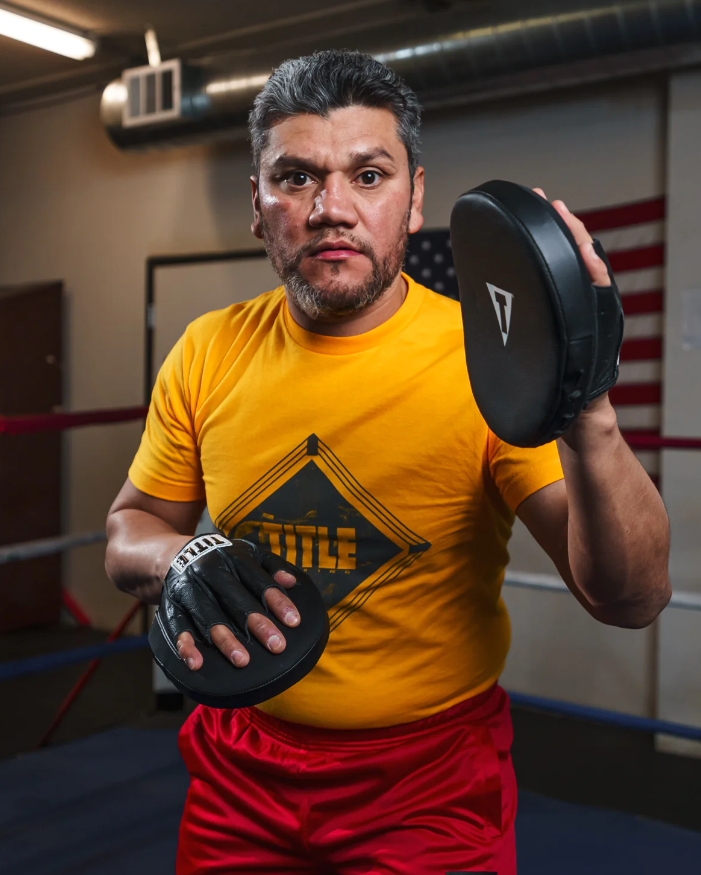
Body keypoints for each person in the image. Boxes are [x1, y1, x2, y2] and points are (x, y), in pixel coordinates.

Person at [105, 50, 671, 875]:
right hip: (239, 769)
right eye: (295, 177)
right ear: (258, 209)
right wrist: (179, 553)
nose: (332, 208)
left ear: (413, 203)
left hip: (427, 784)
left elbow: (632, 598)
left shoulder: (485, 362)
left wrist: (588, 414)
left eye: (368, 176)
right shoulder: (206, 351)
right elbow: (131, 528)